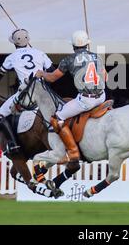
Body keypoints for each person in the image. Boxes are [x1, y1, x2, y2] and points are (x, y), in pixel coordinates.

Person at [35, 30, 107, 163]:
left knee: (57, 118)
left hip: (87, 100)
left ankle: (72, 152)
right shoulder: (97, 57)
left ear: (73, 46)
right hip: (102, 97)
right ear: (87, 44)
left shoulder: (68, 60)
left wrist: (41, 73)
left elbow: (52, 78)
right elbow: (105, 77)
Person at [0, 28, 54, 155]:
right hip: (44, 93)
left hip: (26, 94)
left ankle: (12, 144)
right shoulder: (40, 53)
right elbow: (51, 71)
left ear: (14, 43)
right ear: (28, 40)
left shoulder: (11, 57)